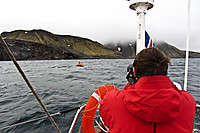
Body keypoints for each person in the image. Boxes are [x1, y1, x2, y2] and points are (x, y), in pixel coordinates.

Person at [99, 47, 196, 133]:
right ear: (165, 71)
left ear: (134, 73)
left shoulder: (111, 101)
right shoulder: (189, 102)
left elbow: (107, 121)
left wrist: (131, 85)